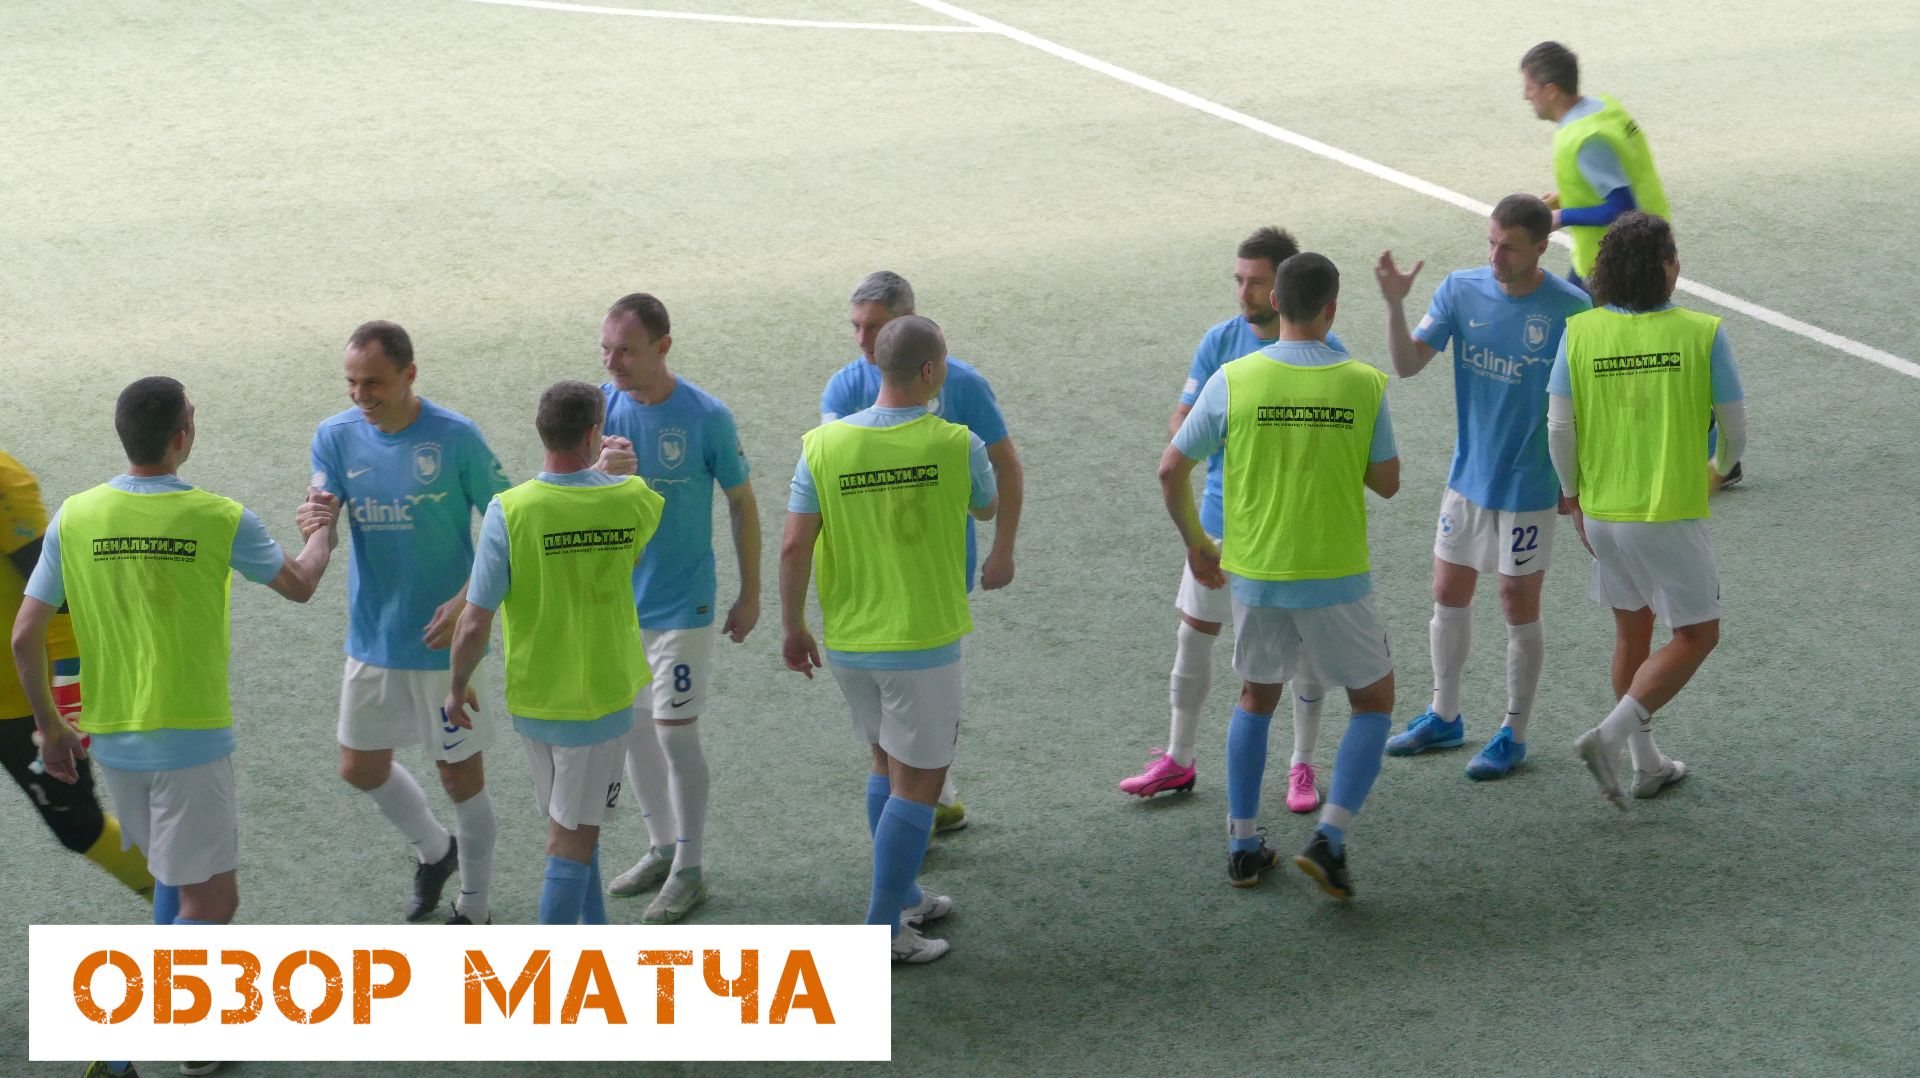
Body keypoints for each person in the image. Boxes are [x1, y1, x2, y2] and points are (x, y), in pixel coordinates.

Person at [11, 377, 337, 931]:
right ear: (182, 437)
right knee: (212, 903)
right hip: (189, 740)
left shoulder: (75, 515)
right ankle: (156, 989)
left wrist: (52, 728)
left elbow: (24, 637)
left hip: (113, 741)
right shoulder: (219, 517)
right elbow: (301, 583)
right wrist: (322, 530)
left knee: (170, 875)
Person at [1158, 254, 1399, 900]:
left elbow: (1170, 468)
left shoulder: (1234, 378)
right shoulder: (1363, 382)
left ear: (1277, 303)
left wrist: (1198, 544)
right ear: (1332, 309)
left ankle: (1242, 846)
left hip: (1256, 573)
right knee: (1374, 701)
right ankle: (1329, 837)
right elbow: (1388, 481)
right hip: (1335, 575)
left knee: (1255, 697)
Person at [781, 315, 996, 963]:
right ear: (930, 371)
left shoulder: (822, 445)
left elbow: (794, 545)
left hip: (849, 643)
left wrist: (793, 626)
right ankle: (883, 930)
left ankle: (903, 894)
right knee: (920, 782)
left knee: (883, 763)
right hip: (922, 641)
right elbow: (985, 506)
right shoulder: (957, 443)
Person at [1373, 196, 1592, 779]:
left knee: (1516, 600)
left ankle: (1514, 732)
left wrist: (1577, 483)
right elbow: (1407, 364)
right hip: (1468, 477)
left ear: (1541, 247)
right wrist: (1395, 305)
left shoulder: (1573, 310)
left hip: (1531, 483)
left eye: (1509, 247)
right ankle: (1445, 715)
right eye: (1491, 242)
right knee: (1448, 589)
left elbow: (1592, 406)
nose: (1496, 256)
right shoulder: (1460, 289)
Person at [1123, 227, 1333, 813]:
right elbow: (1181, 420)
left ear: (1282, 288)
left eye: (1256, 282)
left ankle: (1302, 765)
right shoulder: (1220, 341)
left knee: (1303, 651)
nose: (1244, 292)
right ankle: (1179, 757)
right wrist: (1207, 431)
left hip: (1291, 531)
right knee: (1194, 633)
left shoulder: (1325, 349)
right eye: (1239, 280)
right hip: (1220, 524)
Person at [309, 321, 511, 924]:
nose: (360, 396)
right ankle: (436, 850)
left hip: (446, 646)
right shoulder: (335, 437)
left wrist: (468, 601)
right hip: (373, 634)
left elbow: (511, 526)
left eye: (373, 383)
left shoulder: (455, 438)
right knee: (359, 766)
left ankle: (474, 908)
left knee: (460, 778)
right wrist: (317, 528)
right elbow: (324, 517)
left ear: (409, 375)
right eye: (351, 383)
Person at [447, 381, 664, 924]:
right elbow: (632, 555)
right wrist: (613, 476)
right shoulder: (634, 497)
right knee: (571, 838)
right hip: (602, 697)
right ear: (594, 433)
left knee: (574, 822)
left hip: (536, 699)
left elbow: (473, 620)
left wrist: (456, 686)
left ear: (540, 430)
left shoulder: (508, 510)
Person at [1548, 212, 1744, 808]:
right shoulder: (1703, 333)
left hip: (1602, 513)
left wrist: (1573, 496)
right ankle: (1608, 739)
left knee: (1632, 627)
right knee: (1697, 634)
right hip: (1666, 514)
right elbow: (1735, 431)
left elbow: (1558, 427)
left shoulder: (1580, 332)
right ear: (1663, 267)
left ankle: (1646, 764)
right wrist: (1718, 470)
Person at [821, 270, 1022, 834]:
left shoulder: (964, 384)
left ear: (908, 323)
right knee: (900, 722)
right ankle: (925, 813)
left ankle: (919, 817)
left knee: (909, 712)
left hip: (937, 572)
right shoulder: (842, 388)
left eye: (875, 327)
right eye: (857, 327)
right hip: (870, 577)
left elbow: (1007, 465)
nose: (864, 341)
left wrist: (1003, 550)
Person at [594, 293, 760, 924]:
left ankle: (690, 869)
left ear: (663, 347)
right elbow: (560, 493)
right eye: (606, 349)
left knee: (673, 731)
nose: (612, 362)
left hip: (683, 603)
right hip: (618, 607)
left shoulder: (705, 416)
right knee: (633, 729)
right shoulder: (599, 410)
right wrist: (597, 473)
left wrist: (750, 592)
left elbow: (741, 502)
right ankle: (662, 846)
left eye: (625, 351)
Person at [1, 448, 153, 901]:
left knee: (79, 825)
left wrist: (62, 705)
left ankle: (191, 910)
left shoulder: (4, 480)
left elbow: (57, 594)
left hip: (20, 701)